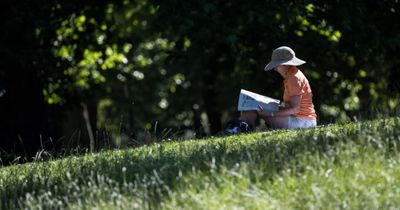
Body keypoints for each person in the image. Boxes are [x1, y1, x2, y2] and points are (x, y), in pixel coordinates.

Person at [240, 46, 317, 129]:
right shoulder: (292, 75)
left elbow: (295, 109)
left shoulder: (293, 78)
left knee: (255, 108)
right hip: (302, 119)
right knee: (255, 106)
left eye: (276, 65)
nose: (275, 69)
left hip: (303, 122)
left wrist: (271, 114)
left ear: (285, 64)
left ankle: (242, 128)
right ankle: (242, 127)